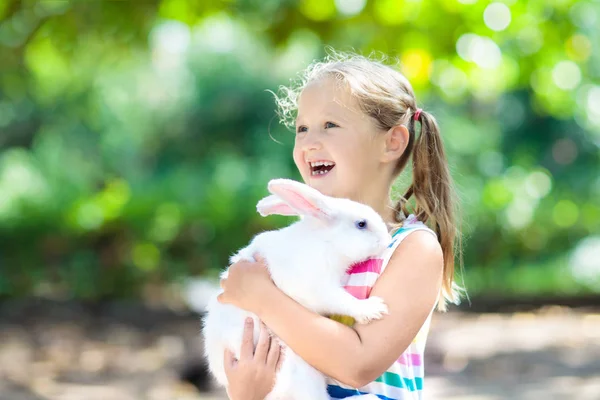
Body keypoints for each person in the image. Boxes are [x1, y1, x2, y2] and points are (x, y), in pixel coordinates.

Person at [217, 50, 463, 400]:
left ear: (392, 142)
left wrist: (261, 296)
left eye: (329, 125)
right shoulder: (297, 243)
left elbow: (357, 363)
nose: (308, 142)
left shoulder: (411, 249)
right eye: (302, 128)